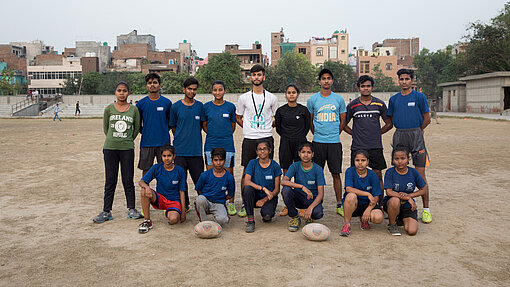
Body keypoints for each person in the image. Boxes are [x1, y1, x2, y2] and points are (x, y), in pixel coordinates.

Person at [387, 68, 432, 223]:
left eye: (407, 79)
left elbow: (427, 118)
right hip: (400, 135)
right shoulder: (394, 99)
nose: (404, 82)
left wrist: (419, 131)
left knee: (421, 175)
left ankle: (426, 210)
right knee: (398, 172)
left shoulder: (420, 97)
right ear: (398, 80)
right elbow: (391, 119)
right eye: (402, 79)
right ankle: (397, 208)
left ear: (412, 80)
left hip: (416, 136)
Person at [93, 82, 142, 223]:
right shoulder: (109, 109)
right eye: (119, 90)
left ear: (128, 93)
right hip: (110, 148)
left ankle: (131, 209)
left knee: (128, 179)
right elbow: (106, 128)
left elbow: (136, 128)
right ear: (115, 92)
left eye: (125, 91)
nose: (122, 93)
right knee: (110, 180)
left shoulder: (133, 110)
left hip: (127, 149)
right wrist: (114, 139)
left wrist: (126, 140)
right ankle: (106, 211)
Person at [236, 64, 278, 217]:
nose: (256, 77)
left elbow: (276, 118)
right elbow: (238, 117)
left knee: (268, 170)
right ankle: (244, 204)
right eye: (253, 75)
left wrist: (266, 127)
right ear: (250, 78)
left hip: (266, 137)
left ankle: (268, 199)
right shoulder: (244, 98)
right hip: (249, 138)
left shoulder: (272, 98)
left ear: (263, 77)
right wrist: (248, 128)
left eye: (259, 75)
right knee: (246, 171)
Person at [344, 75, 392, 202]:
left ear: (372, 87)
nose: (365, 89)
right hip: (358, 147)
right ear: (358, 88)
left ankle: (380, 204)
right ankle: (356, 203)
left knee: (377, 176)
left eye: (368, 86)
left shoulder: (379, 104)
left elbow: (389, 123)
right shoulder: (353, 105)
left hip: (375, 146)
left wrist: (377, 133)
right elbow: (343, 124)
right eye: (363, 86)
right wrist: (354, 134)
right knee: (357, 176)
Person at [307, 68, 346, 216]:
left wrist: (336, 133)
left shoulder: (339, 99)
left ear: (332, 81)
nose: (326, 81)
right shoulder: (313, 100)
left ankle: (339, 203)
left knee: (336, 173)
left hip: (334, 142)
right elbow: (310, 121)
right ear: (319, 81)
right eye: (323, 78)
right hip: (318, 142)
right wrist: (317, 134)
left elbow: (343, 119)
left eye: (329, 78)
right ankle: (317, 202)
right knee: (317, 173)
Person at [169, 77, 205, 213]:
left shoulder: (200, 106)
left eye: (194, 89)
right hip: (179, 151)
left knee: (199, 181)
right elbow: (173, 126)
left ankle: (203, 204)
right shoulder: (175, 107)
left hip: (195, 151)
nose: (192, 91)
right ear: (184, 90)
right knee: (180, 181)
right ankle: (184, 205)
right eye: (189, 89)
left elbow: (202, 125)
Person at [203, 80, 237, 215]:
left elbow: (233, 126)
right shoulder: (206, 107)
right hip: (210, 144)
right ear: (212, 91)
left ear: (225, 91)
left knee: (228, 174)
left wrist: (224, 135)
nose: (218, 92)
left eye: (220, 90)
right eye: (215, 90)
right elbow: (205, 125)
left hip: (227, 144)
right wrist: (214, 135)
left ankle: (231, 203)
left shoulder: (230, 107)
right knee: (211, 175)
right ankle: (212, 202)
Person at [275, 84, 310, 216]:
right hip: (285, 143)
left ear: (297, 94)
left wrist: (299, 137)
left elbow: (307, 127)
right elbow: (278, 128)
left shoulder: (303, 110)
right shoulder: (281, 111)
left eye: (293, 92)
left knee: (300, 172)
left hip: (300, 143)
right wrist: (288, 136)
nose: (291, 95)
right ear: (285, 94)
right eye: (289, 92)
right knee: (287, 172)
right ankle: (287, 205)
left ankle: (301, 204)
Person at [138, 144, 186, 233]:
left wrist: (183, 212)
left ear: (174, 156)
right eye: (164, 156)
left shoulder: (180, 170)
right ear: (161, 156)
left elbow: (182, 191)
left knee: (174, 220)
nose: (166, 158)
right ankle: (147, 221)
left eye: (169, 156)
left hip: (174, 201)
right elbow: (141, 182)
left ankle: (169, 212)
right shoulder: (157, 167)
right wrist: (147, 187)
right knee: (144, 191)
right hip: (160, 199)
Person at [281, 142, 325, 232]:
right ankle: (294, 217)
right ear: (299, 154)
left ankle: (309, 217)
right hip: (299, 196)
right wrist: (301, 187)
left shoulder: (318, 169)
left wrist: (310, 208)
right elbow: (283, 181)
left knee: (318, 213)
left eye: (308, 152)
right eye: (303, 152)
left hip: (312, 198)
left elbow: (321, 194)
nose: (306, 155)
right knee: (286, 190)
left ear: (312, 154)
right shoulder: (295, 165)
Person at [383, 147, 427, 236]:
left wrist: (410, 196)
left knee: (412, 231)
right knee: (395, 200)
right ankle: (392, 224)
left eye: (403, 158)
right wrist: (406, 197)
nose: (400, 161)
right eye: (396, 159)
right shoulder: (390, 172)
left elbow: (423, 189)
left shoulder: (413, 172)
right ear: (392, 160)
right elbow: (389, 192)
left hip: (407, 206)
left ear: (408, 159)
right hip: (393, 203)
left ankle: (400, 219)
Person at [340, 150, 384, 237]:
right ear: (354, 161)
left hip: (367, 204)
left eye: (363, 160)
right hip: (354, 203)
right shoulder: (350, 171)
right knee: (350, 196)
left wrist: (368, 209)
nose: (360, 163)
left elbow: (376, 196)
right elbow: (348, 189)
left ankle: (364, 220)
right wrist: (367, 194)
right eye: (357, 160)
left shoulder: (373, 174)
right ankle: (346, 224)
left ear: (367, 162)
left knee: (378, 218)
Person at [136, 73, 172, 176]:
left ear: (159, 85)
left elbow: (170, 122)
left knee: (166, 170)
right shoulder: (141, 104)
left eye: (155, 83)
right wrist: (146, 132)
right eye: (149, 83)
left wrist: (162, 130)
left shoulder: (166, 103)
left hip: (163, 142)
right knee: (146, 171)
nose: (152, 85)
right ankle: (146, 191)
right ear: (146, 85)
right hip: (147, 143)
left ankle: (164, 192)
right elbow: (138, 124)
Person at [242, 140, 282, 232]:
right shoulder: (252, 163)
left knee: (267, 216)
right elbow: (246, 182)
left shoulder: (275, 166)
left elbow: (276, 189)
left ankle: (266, 212)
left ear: (270, 151)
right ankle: (250, 220)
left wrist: (265, 199)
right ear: (256, 152)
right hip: (255, 195)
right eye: (260, 149)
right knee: (247, 189)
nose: (262, 151)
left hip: (269, 197)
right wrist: (263, 188)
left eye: (265, 149)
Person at [194, 147, 235, 226]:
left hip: (219, 203)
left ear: (225, 161)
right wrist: (207, 196)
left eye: (221, 160)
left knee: (224, 220)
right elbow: (199, 189)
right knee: (200, 199)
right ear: (212, 161)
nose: (218, 163)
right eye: (216, 160)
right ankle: (203, 222)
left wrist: (220, 198)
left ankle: (213, 223)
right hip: (206, 201)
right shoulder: (205, 175)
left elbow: (230, 194)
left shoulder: (229, 177)